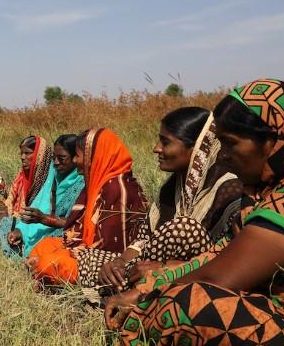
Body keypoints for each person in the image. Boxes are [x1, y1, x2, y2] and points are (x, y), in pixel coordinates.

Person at [106, 79, 284, 346]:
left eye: (230, 143)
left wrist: (147, 298)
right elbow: (218, 255)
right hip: (271, 316)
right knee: (163, 287)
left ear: (272, 142)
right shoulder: (265, 192)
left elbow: (222, 277)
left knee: (193, 303)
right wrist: (151, 285)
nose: (222, 156)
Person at [97, 107, 242, 293]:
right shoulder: (172, 187)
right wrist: (119, 263)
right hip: (151, 265)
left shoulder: (229, 190)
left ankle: (132, 288)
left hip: (204, 276)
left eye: (165, 142)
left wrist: (169, 267)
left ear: (197, 148)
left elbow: (235, 256)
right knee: (92, 260)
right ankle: (124, 282)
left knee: (182, 229)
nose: (156, 148)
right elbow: (144, 240)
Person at [27, 128, 148, 286]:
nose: (75, 160)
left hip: (105, 261)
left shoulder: (118, 189)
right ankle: (46, 274)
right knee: (44, 246)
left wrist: (68, 253)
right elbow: (78, 232)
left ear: (95, 156)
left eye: (77, 155)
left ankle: (47, 275)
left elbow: (109, 250)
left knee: (48, 264)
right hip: (85, 249)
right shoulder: (95, 183)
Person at [0, 135, 85, 258]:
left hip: (62, 231)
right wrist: (20, 230)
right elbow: (39, 205)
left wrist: (44, 219)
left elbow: (75, 224)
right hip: (41, 225)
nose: (55, 162)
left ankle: (33, 253)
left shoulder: (82, 183)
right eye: (54, 158)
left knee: (56, 244)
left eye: (62, 158)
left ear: (75, 158)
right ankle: (24, 247)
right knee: (6, 223)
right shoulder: (53, 175)